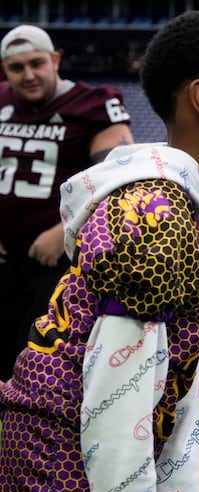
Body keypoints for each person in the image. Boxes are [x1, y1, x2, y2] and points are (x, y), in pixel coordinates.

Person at [0, 10, 199, 492]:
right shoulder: (154, 218)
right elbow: (118, 400)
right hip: (61, 455)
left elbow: (173, 377)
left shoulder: (196, 203)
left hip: (78, 436)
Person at [0, 24, 135, 381]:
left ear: (55, 59)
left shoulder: (93, 104)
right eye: (16, 68)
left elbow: (122, 180)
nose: (28, 75)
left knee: (37, 369)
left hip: (53, 264)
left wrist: (63, 231)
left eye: (36, 63)